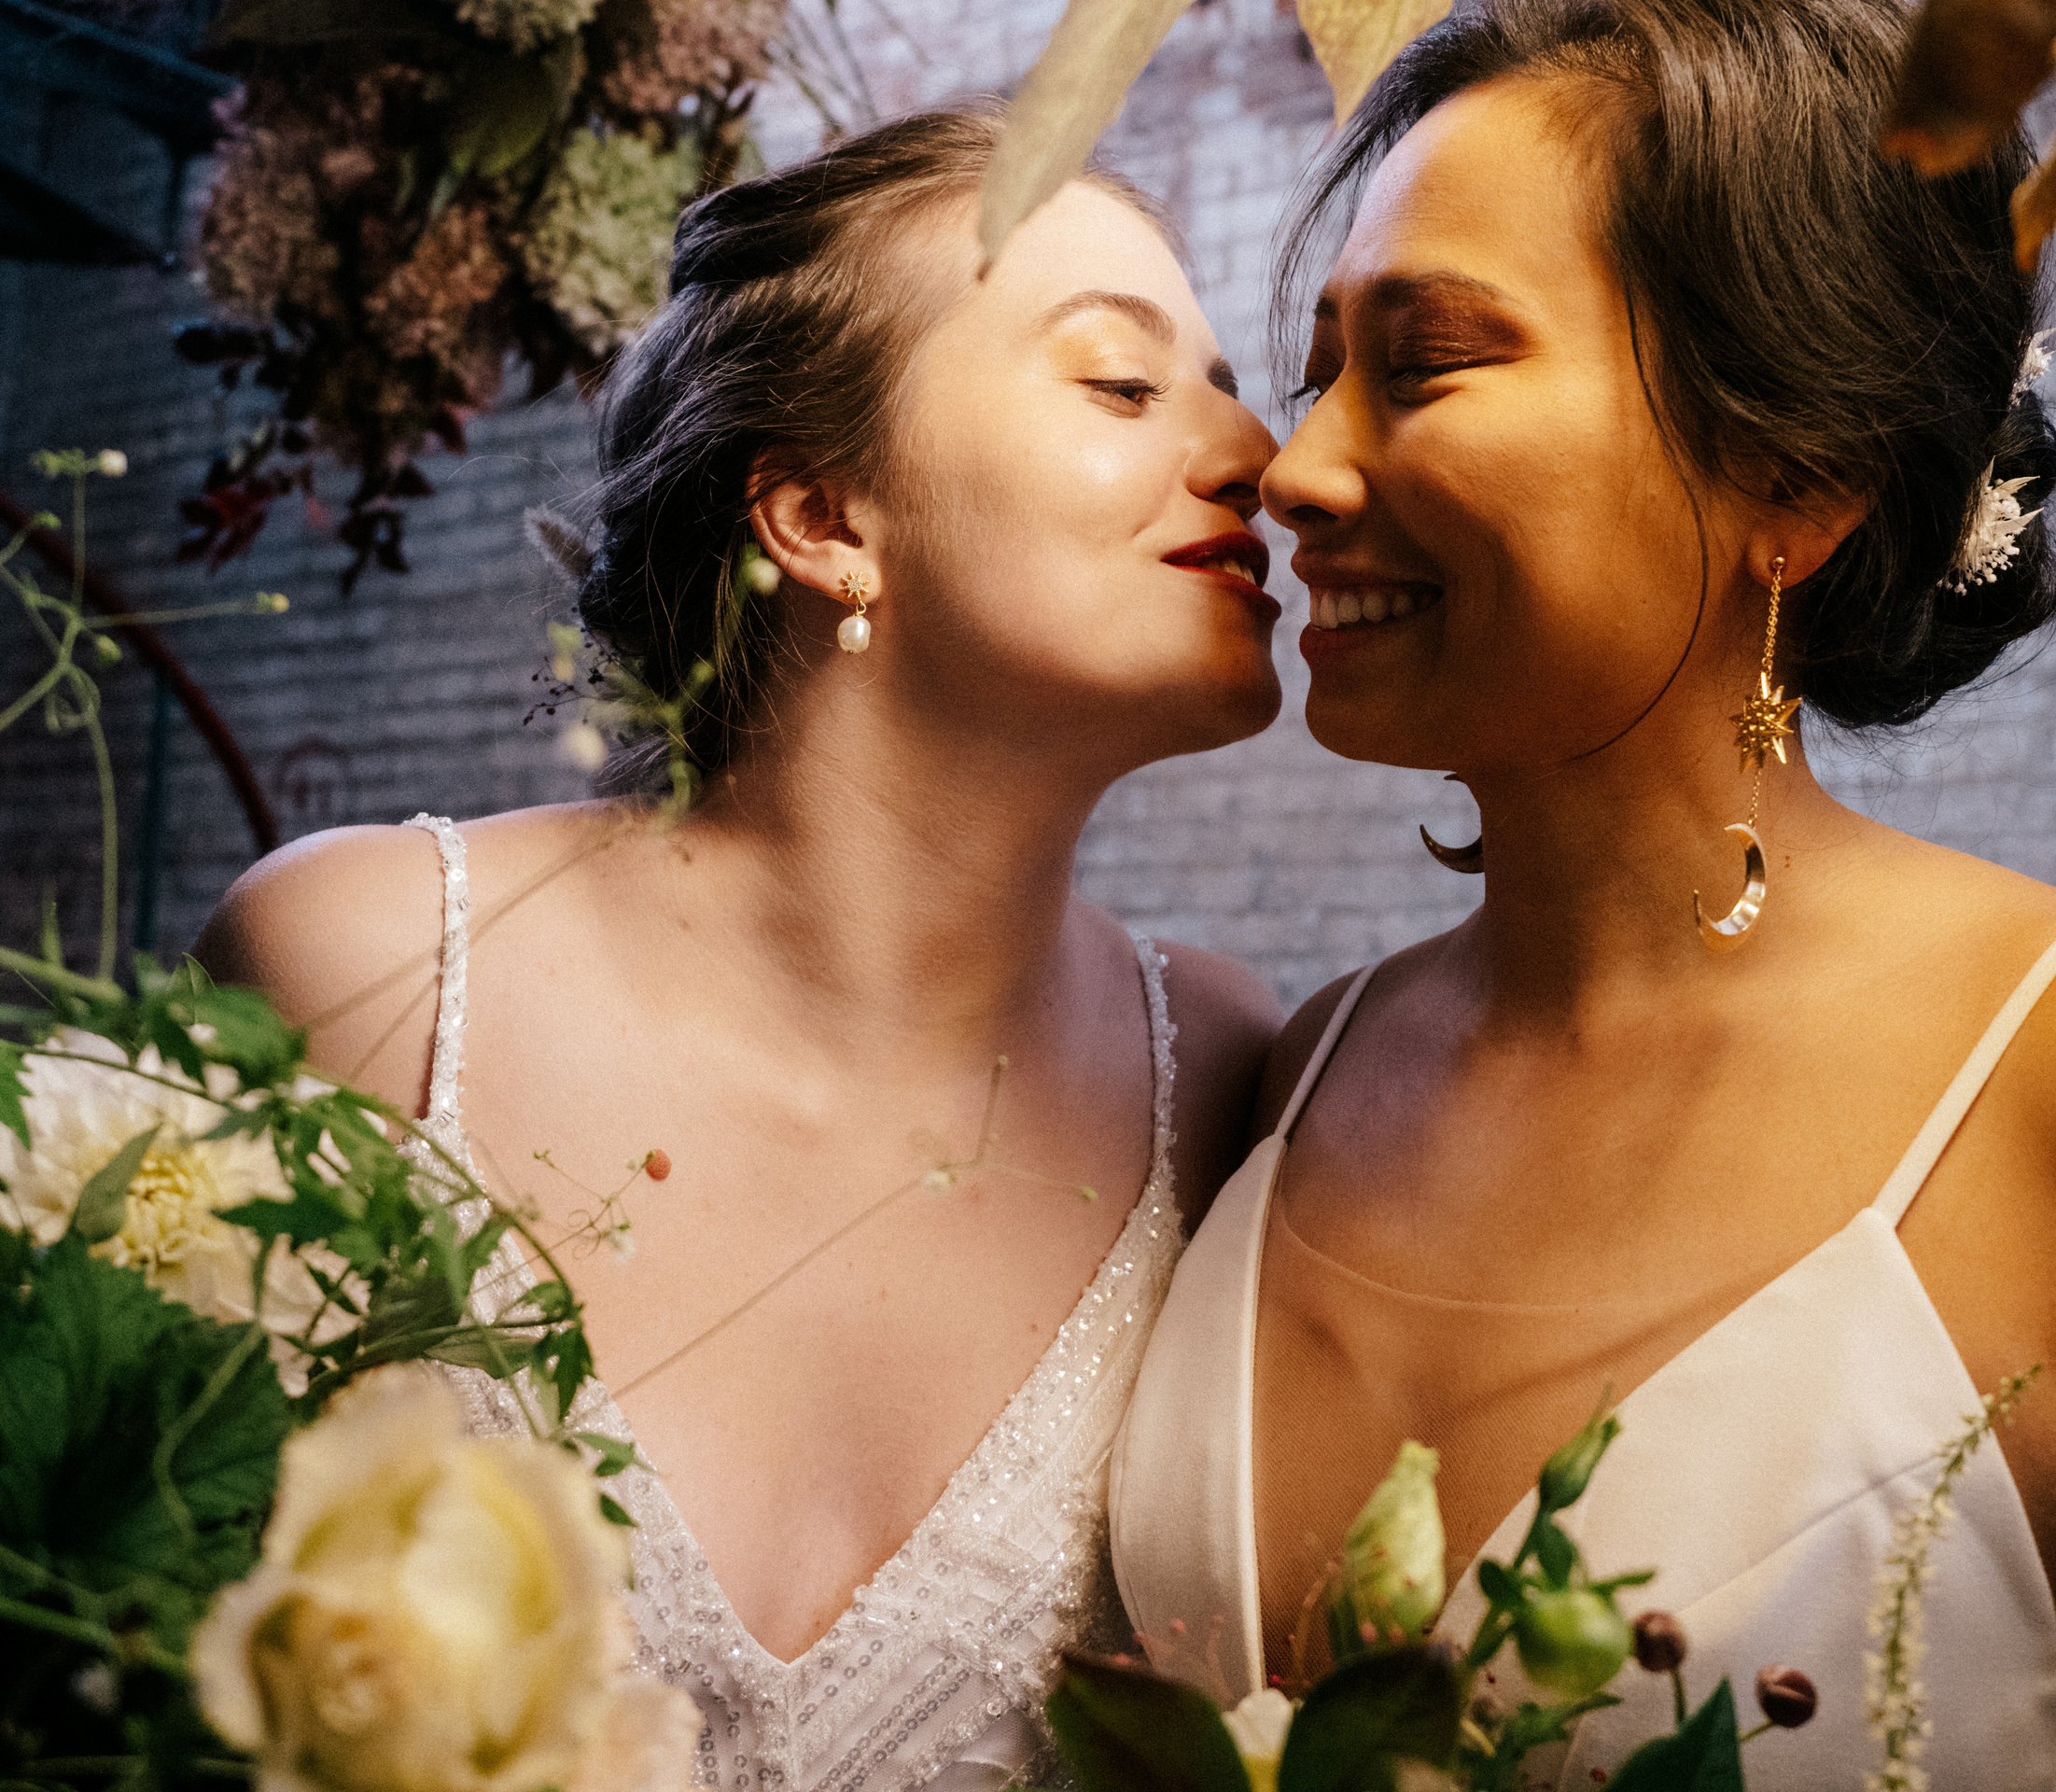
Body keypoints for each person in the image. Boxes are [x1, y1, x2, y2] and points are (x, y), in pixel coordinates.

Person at [1107, 2, 2056, 1785]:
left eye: (1432, 362)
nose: (1301, 469)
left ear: (1799, 470)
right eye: (1322, 369)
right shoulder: (1301, 1075)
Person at [199, 110, 1286, 1792]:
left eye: (1224, 384)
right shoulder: (365, 972)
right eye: (1125, 387)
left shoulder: (1223, 1076)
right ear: (824, 512)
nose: (1266, 452)